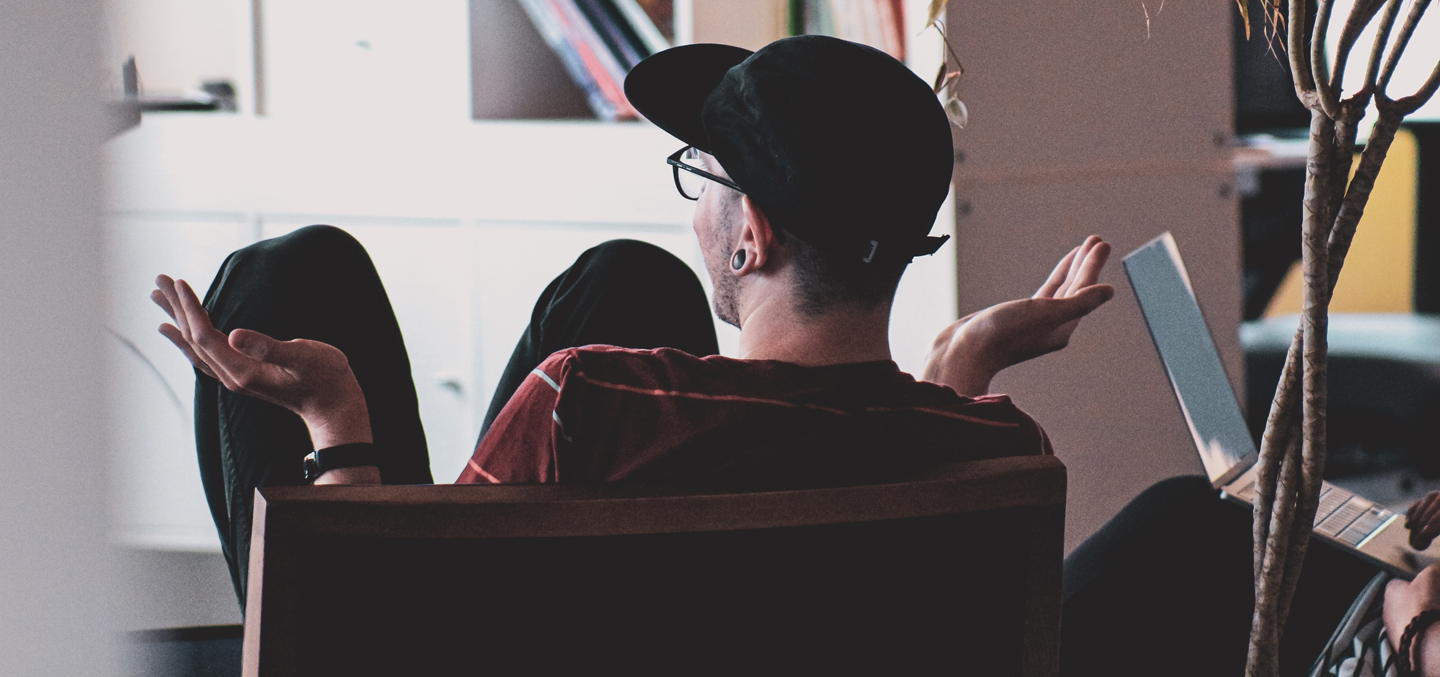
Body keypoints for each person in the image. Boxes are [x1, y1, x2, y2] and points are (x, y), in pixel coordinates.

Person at [152, 34, 1440, 674]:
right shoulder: (990, 446)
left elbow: (391, 649)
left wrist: (338, 422)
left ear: (752, 234)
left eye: (698, 180)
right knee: (628, 283)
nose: (689, 206)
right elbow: (864, 474)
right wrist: (964, 365)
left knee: (290, 283)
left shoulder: (588, 399)